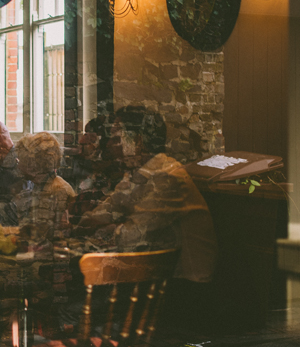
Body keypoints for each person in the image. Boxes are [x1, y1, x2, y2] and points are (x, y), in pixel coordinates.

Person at [76, 106, 218, 283]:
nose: (109, 145)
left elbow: (133, 237)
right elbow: (107, 209)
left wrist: (102, 228)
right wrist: (80, 224)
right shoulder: (136, 174)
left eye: (115, 138)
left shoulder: (167, 176)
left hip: (185, 284)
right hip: (153, 276)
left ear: (137, 142)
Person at [11, 132, 76, 247]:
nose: (18, 165)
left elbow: (51, 234)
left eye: (20, 160)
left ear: (32, 166)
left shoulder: (58, 190)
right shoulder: (39, 186)